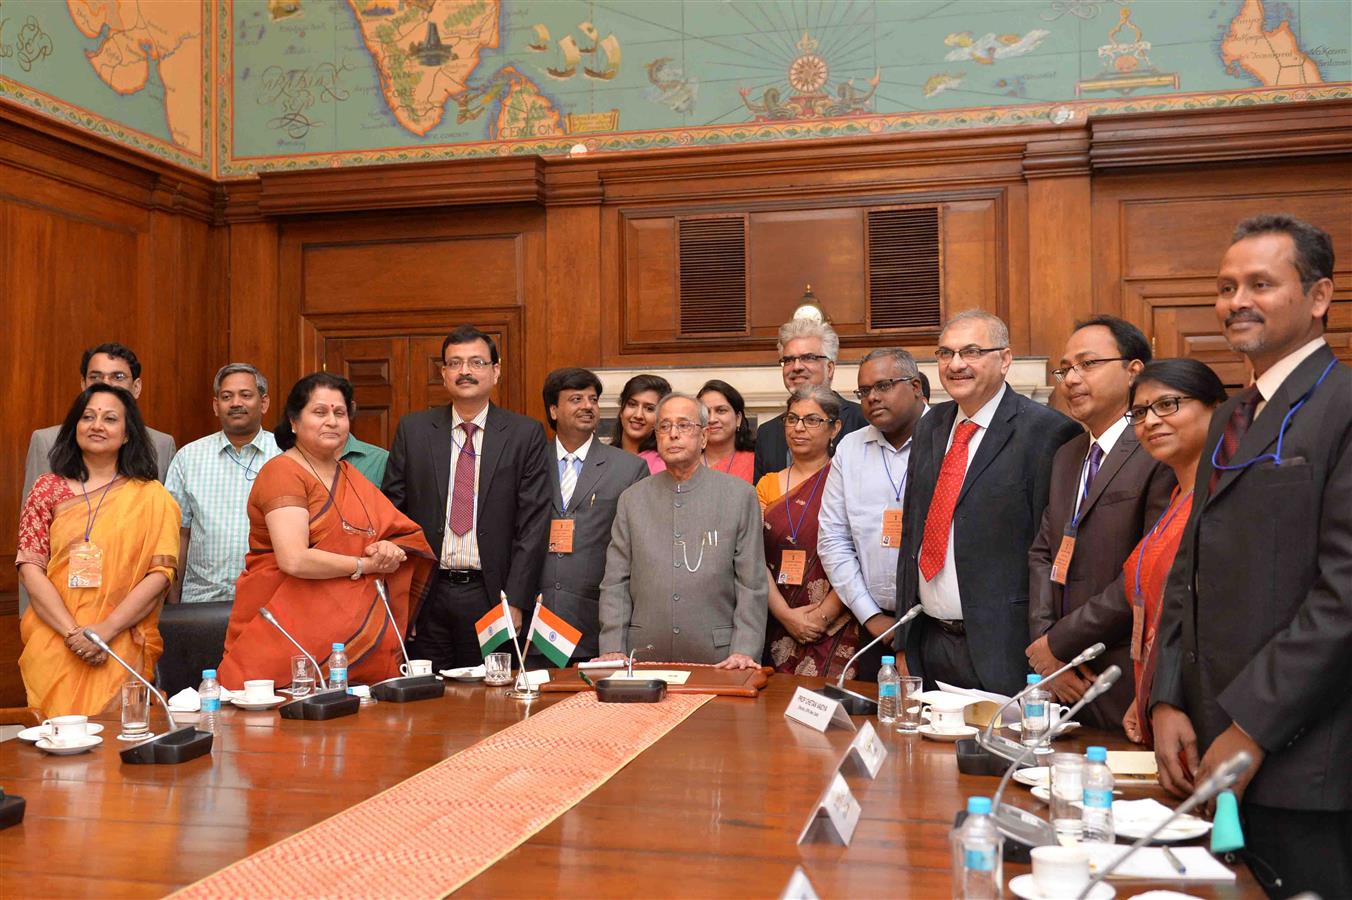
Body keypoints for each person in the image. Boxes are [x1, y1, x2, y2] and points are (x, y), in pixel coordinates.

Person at [1149, 216, 1351, 898]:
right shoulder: (1234, 418)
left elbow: (1343, 597)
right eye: (1226, 285)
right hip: (1208, 747)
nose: (1237, 300)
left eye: (1261, 284)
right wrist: (1168, 697)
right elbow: (1189, 572)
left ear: (1319, 296)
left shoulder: (1343, 408)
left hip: (1303, 763)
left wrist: (1252, 727)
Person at [896, 310, 1081, 695]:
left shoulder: (1047, 432)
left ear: (1005, 359)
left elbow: (1048, 551)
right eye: (945, 354)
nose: (956, 364)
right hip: (928, 645)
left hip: (1007, 651)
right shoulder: (930, 425)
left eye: (972, 351)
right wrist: (903, 639)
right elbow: (912, 532)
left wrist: (1050, 645)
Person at [219, 373, 433, 690]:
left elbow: (401, 537)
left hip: (347, 639)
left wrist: (387, 549)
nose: (331, 421)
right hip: (281, 629)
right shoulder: (282, 472)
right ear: (293, 421)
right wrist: (363, 565)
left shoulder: (349, 476)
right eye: (319, 412)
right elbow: (294, 560)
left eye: (340, 413)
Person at [1026, 317, 1175, 732]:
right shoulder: (1067, 454)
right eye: (1065, 369)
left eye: (1087, 364)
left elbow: (1148, 569)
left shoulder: (1157, 449)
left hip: (1121, 669)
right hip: (1058, 679)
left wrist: (1061, 644)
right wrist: (1045, 648)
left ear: (1134, 370)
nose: (1071, 379)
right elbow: (1043, 552)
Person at [383, 326, 551, 670]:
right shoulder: (414, 431)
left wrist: (516, 600)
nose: (465, 371)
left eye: (476, 362)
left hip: (491, 594)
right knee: (428, 699)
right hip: (428, 592)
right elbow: (394, 514)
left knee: (491, 701)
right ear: (443, 374)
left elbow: (533, 523)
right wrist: (403, 598)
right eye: (455, 363)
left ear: (496, 370)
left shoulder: (524, 433)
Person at [16, 385, 180, 716]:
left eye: (109, 418)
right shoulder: (47, 488)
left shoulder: (152, 496)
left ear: (127, 434)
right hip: (55, 640)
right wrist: (73, 634)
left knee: (115, 746)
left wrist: (105, 632)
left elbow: (160, 575)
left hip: (120, 642)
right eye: (87, 417)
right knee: (58, 748)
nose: (97, 425)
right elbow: (30, 566)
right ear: (74, 427)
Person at [598, 393, 767, 667]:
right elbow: (616, 581)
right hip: (643, 655)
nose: (673, 434)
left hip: (720, 658)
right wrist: (612, 647)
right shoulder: (632, 499)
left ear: (703, 437)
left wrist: (745, 650)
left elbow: (751, 583)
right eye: (664, 426)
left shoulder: (739, 496)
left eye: (684, 425)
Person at [20, 343, 177, 615]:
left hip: (127, 613)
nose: (108, 385)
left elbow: (161, 543)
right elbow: (32, 548)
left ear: (136, 387)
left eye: (118, 377)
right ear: (83, 384)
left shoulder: (161, 446)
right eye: (96, 377)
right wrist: (33, 612)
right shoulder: (46, 442)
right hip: (55, 613)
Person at [1115, 360, 1225, 745]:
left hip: (1206, 710)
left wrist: (1169, 699)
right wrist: (1147, 694)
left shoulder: (1226, 501)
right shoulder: (1176, 497)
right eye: (1140, 412)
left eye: (1168, 404)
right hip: (1162, 701)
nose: (1150, 421)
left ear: (1215, 407)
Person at [819, 348, 927, 682]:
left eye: (883, 386)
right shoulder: (850, 449)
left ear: (916, 388)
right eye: (864, 391)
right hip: (874, 624)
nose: (872, 398)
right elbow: (833, 540)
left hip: (941, 627)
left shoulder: (950, 439)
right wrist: (870, 616)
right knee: (878, 723)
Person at [537, 367, 649, 662]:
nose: (588, 406)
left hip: (594, 621)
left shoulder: (628, 469)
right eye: (576, 399)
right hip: (536, 619)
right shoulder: (530, 462)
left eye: (593, 399)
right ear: (553, 410)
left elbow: (636, 553)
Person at [756, 386, 856, 677]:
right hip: (777, 620)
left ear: (834, 427)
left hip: (838, 620)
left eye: (812, 420)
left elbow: (860, 555)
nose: (799, 428)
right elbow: (752, 557)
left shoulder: (847, 481)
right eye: (791, 419)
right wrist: (786, 616)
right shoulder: (767, 485)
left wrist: (823, 615)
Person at [164, 363, 281, 605]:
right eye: (227, 396)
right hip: (201, 602)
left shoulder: (285, 455)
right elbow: (178, 534)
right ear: (216, 406)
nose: (236, 403)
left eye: (246, 395)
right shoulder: (189, 458)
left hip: (270, 601)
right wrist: (173, 602)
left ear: (264, 403)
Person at [752, 318, 867, 482]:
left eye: (808, 357)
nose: (796, 367)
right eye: (789, 360)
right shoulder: (767, 433)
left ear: (829, 368)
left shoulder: (862, 420)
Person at [609, 374, 671, 475]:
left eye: (649, 408)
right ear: (621, 410)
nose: (638, 415)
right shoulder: (602, 458)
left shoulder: (664, 466)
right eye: (632, 404)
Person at [697, 379, 755, 483]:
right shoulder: (687, 464)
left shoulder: (755, 462)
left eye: (721, 411)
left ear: (738, 419)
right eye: (706, 412)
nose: (712, 419)